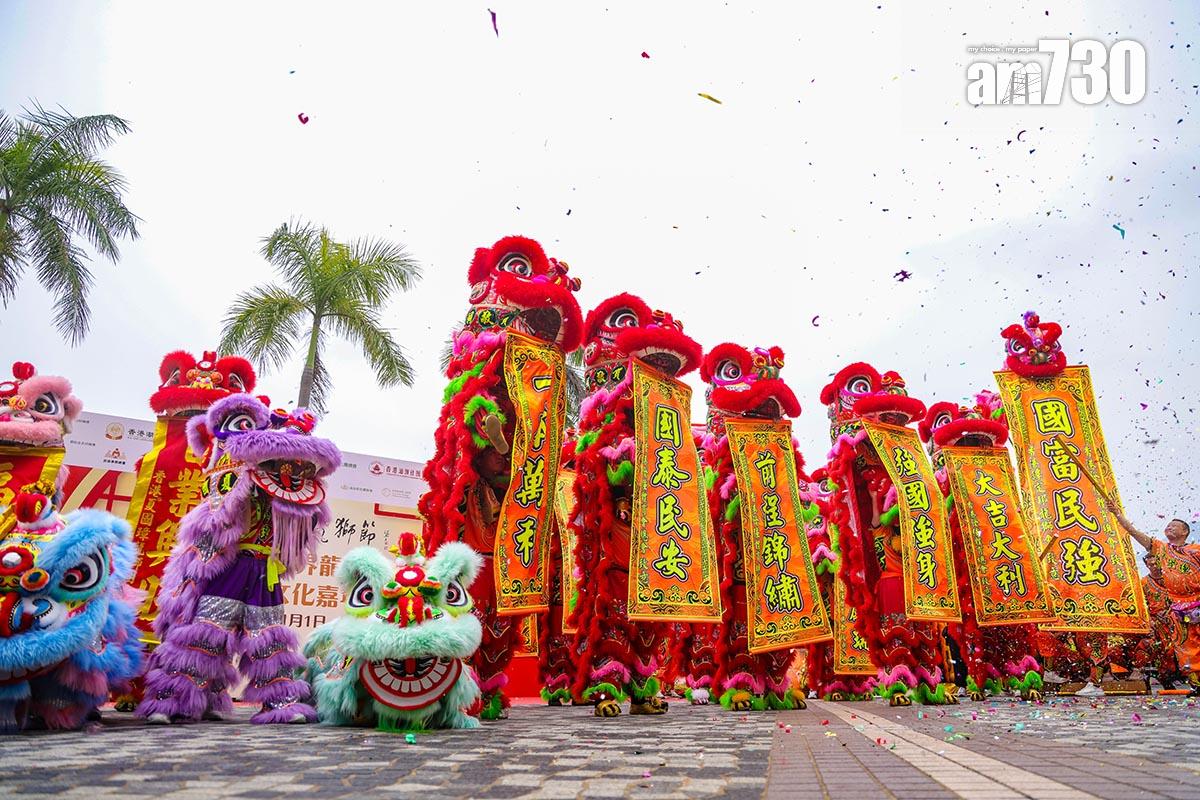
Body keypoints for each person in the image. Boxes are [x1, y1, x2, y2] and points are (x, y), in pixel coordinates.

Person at [1106, 501, 1200, 693]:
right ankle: (1196, 682)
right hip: (1179, 609)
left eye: (1174, 525)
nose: (1169, 527)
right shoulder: (1162, 550)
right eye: (1167, 525)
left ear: (1184, 532)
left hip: (1198, 601)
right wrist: (1117, 514)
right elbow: (1133, 532)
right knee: (1185, 647)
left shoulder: (1196, 550)